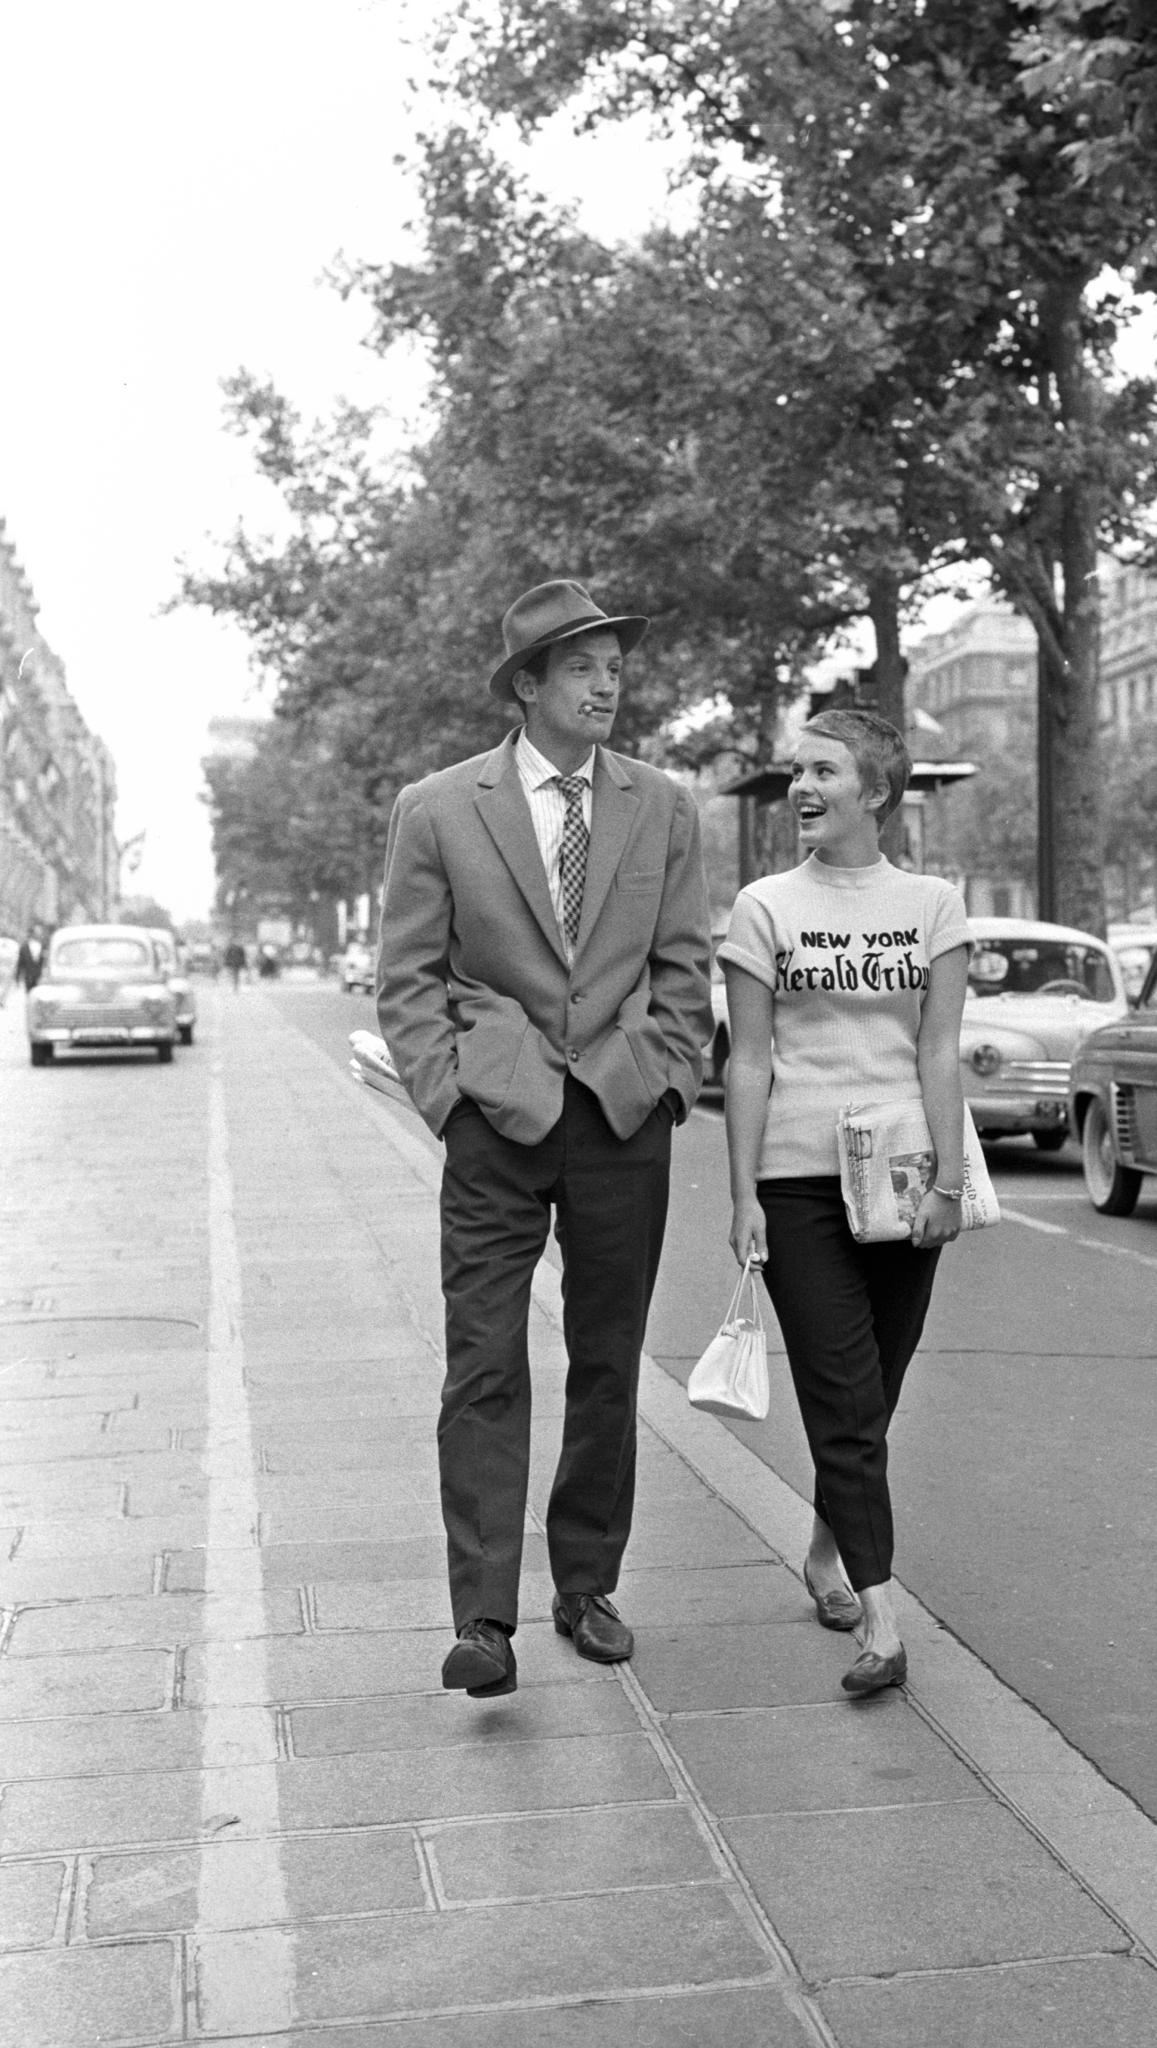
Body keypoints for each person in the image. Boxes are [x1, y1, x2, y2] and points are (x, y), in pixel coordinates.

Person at [379, 578, 711, 1699]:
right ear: (527, 686)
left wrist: (663, 1077)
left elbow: (683, 968)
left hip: (620, 1115)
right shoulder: (437, 807)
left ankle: (585, 1586)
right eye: (582, 665)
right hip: (498, 1117)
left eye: (615, 662)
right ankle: (483, 1616)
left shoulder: (663, 805)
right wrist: (449, 1096)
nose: (608, 680)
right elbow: (408, 979)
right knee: (482, 1362)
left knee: (609, 1360)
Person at [719, 707, 971, 1698]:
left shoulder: (932, 903)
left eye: (822, 769)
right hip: (794, 1177)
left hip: (905, 1175)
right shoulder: (762, 906)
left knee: (874, 1393)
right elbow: (744, 1059)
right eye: (795, 770)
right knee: (841, 1395)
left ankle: (825, 1555)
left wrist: (950, 1179)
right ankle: (881, 1616)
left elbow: (937, 1047)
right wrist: (741, 1191)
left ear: (876, 790)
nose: (800, 787)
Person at [16, 925, 47, 995]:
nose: (39, 935)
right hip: (28, 977)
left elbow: (43, 962)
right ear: (32, 933)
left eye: (40, 933)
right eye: (37, 932)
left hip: (39, 977)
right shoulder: (24, 947)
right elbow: (20, 963)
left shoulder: (42, 946)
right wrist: (17, 978)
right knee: (29, 995)